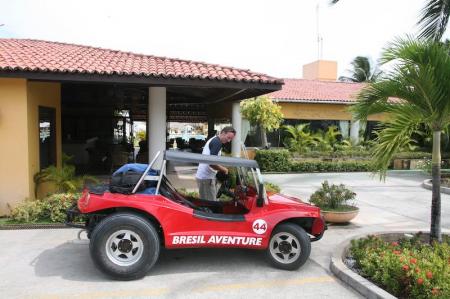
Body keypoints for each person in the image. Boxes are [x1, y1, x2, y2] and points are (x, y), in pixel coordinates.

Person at [195, 126, 236, 201]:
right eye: (228, 137)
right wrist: (224, 169)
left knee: (209, 202)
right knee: (210, 204)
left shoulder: (215, 140)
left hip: (206, 177)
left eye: (231, 139)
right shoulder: (217, 143)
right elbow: (211, 163)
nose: (229, 141)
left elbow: (213, 159)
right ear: (223, 133)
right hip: (206, 178)